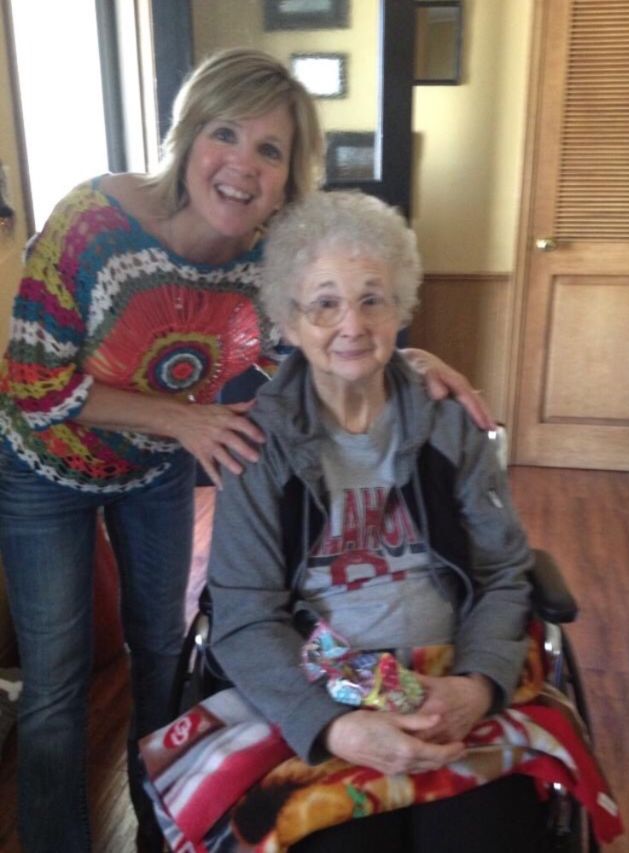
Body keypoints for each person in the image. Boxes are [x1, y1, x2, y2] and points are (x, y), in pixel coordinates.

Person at [0, 50, 491, 853]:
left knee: (162, 655)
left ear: (289, 175)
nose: (242, 164)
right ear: (188, 134)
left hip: (152, 466)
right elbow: (30, 381)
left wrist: (407, 357)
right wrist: (182, 419)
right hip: (45, 468)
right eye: (225, 133)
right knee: (57, 684)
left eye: (270, 149)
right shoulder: (93, 224)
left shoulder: (266, 260)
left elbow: (321, 339)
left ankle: (164, 830)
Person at [202, 189, 545, 851]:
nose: (352, 325)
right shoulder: (256, 443)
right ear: (290, 322)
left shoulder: (449, 424)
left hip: (449, 680)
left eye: (372, 299)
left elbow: (503, 573)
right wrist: (333, 726)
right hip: (318, 687)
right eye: (324, 303)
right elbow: (244, 614)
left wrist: (477, 685)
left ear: (400, 308)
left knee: (487, 834)